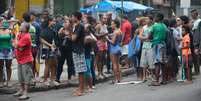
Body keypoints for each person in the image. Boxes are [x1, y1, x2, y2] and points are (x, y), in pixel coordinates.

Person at [13, 22, 33, 100]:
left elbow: (17, 46)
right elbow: (16, 45)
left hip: (26, 60)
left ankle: (26, 93)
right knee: (20, 77)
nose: (20, 26)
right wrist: (16, 42)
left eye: (21, 26)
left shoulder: (26, 37)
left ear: (25, 28)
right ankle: (21, 90)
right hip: (20, 59)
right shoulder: (21, 34)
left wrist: (16, 42)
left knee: (26, 77)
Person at [147, 13, 167, 86]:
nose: (154, 18)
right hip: (163, 44)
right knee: (163, 63)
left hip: (156, 45)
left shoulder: (154, 26)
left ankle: (157, 81)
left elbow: (149, 36)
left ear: (158, 18)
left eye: (156, 17)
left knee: (157, 63)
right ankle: (164, 80)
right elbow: (167, 34)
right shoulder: (164, 26)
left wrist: (152, 38)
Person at [70, 12, 87, 96]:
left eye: (72, 16)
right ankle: (81, 88)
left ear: (76, 17)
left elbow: (73, 38)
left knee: (80, 71)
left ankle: (81, 89)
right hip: (77, 50)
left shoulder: (79, 26)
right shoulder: (77, 26)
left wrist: (68, 32)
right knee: (79, 70)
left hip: (78, 51)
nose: (71, 18)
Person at [40, 16, 59, 86]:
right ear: (49, 22)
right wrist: (50, 45)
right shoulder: (45, 30)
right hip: (47, 49)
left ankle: (52, 80)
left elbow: (56, 39)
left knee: (54, 65)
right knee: (47, 65)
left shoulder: (54, 29)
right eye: (53, 21)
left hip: (54, 49)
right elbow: (41, 39)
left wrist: (56, 47)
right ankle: (45, 80)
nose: (54, 22)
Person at [56, 18, 75, 83]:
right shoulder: (61, 30)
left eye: (67, 23)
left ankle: (69, 78)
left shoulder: (72, 31)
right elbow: (57, 39)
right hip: (62, 49)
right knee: (60, 64)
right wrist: (60, 33)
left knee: (70, 64)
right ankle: (57, 78)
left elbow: (73, 39)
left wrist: (68, 36)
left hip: (69, 49)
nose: (66, 24)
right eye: (65, 23)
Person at [139, 16, 154, 82]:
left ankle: (152, 75)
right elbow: (140, 36)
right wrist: (147, 38)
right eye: (145, 19)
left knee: (151, 62)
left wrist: (144, 38)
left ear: (151, 20)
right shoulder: (144, 27)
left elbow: (153, 38)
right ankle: (144, 77)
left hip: (151, 46)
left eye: (147, 19)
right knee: (143, 62)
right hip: (144, 46)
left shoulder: (153, 27)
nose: (146, 20)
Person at [108, 19, 122, 83]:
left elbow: (113, 42)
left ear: (115, 24)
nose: (111, 25)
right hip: (118, 47)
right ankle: (119, 78)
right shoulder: (120, 31)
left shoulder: (115, 32)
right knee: (118, 63)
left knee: (114, 64)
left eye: (112, 24)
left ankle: (116, 78)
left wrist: (107, 39)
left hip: (113, 48)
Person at [0, 20, 13, 87]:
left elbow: (12, 41)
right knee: (1, 67)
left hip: (8, 50)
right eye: (2, 23)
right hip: (0, 51)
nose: (3, 24)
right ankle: (1, 81)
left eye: (5, 23)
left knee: (8, 66)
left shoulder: (9, 31)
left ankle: (9, 81)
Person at [95, 14, 108, 79]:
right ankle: (99, 73)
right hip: (99, 43)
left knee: (103, 59)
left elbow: (106, 35)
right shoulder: (98, 26)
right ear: (100, 19)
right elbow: (96, 35)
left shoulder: (105, 26)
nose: (106, 20)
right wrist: (103, 34)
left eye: (106, 18)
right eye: (104, 18)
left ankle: (102, 72)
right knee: (99, 59)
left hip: (105, 43)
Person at [191, 9, 201, 75]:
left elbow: (198, 34)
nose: (191, 16)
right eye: (191, 14)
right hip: (194, 41)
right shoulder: (194, 21)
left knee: (196, 57)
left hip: (197, 42)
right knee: (195, 57)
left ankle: (197, 71)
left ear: (196, 14)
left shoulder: (199, 22)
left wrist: (197, 44)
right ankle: (196, 70)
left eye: (193, 14)